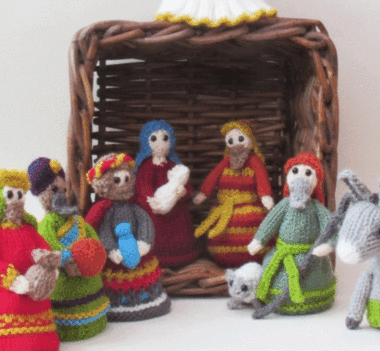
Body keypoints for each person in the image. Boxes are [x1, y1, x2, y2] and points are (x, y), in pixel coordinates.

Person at [28, 158, 109, 341]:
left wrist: (95, 252)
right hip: (65, 276)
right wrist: (68, 258)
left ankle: (96, 316)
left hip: (87, 272)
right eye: (54, 190)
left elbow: (91, 235)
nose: (61, 195)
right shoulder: (47, 225)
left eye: (63, 190)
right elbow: (48, 245)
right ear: (42, 194)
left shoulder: (76, 219)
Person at [248, 153, 336, 314]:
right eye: (295, 171)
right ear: (288, 176)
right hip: (282, 252)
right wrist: (259, 240)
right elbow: (270, 222)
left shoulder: (317, 208)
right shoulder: (284, 205)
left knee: (311, 277)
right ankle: (271, 298)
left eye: (308, 173)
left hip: (310, 255)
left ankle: (314, 299)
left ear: (316, 181)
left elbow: (330, 227)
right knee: (275, 273)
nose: (301, 177)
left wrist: (329, 244)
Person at [86, 153, 170, 321]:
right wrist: (111, 250)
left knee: (143, 272)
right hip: (116, 260)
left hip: (140, 255)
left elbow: (145, 222)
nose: (123, 184)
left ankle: (148, 295)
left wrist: (144, 241)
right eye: (117, 180)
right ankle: (119, 300)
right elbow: (104, 232)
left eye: (126, 179)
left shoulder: (136, 207)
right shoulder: (106, 211)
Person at [194, 120, 274, 267]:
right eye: (231, 141)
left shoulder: (254, 161)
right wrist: (204, 193)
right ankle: (222, 254)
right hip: (224, 206)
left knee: (257, 229)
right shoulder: (226, 162)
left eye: (240, 139)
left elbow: (262, 178)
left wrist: (265, 196)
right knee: (219, 233)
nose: (236, 144)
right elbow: (213, 177)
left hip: (250, 207)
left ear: (250, 139)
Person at [0, 169, 60, 351]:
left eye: (19, 195)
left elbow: (43, 247)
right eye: (10, 195)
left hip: (35, 286)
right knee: (11, 305)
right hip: (9, 288)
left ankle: (41, 340)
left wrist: (49, 266)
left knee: (38, 304)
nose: (16, 201)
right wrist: (12, 279)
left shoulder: (29, 229)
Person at [135, 120, 201, 268]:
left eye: (165, 138)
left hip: (175, 206)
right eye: (154, 139)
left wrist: (182, 192)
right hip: (155, 209)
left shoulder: (173, 165)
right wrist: (151, 201)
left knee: (181, 221)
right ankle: (155, 254)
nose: (160, 143)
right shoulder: (146, 167)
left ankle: (182, 251)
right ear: (146, 143)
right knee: (154, 227)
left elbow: (184, 183)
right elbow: (143, 186)